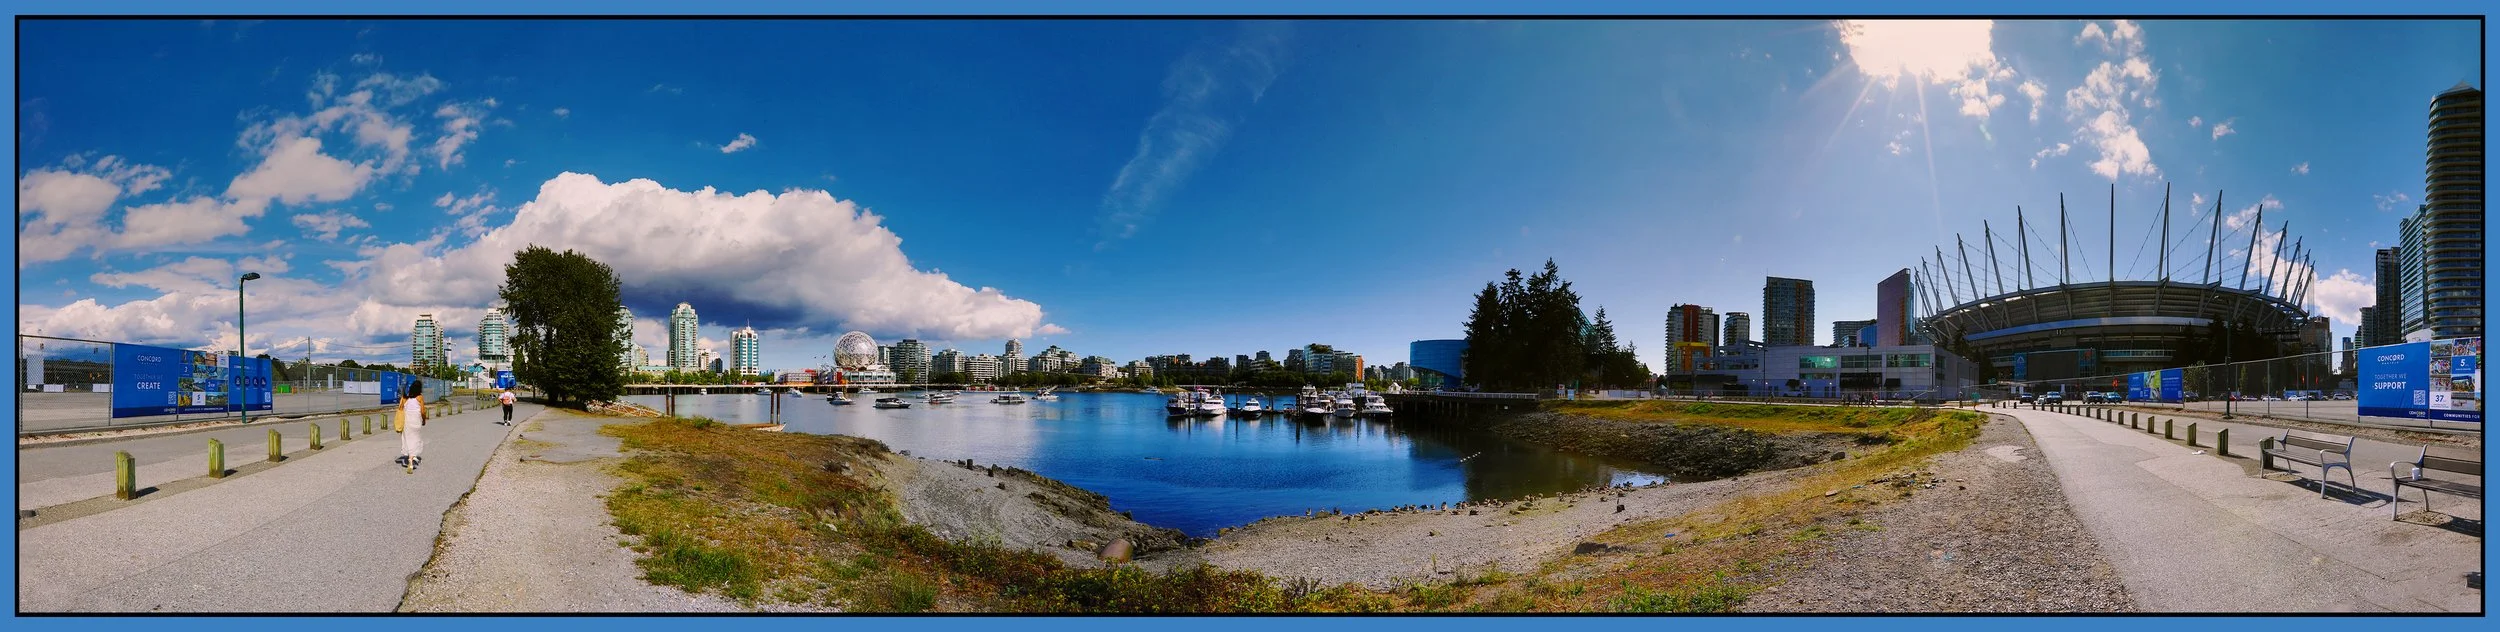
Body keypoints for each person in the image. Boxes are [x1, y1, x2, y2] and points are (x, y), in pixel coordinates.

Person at [398, 381, 426, 473]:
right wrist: (424, 420)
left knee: (407, 439)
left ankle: (408, 457)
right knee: (415, 439)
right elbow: (422, 412)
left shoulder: (405, 398)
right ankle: (411, 460)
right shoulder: (420, 397)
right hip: (416, 421)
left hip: (407, 421)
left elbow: (400, 409)